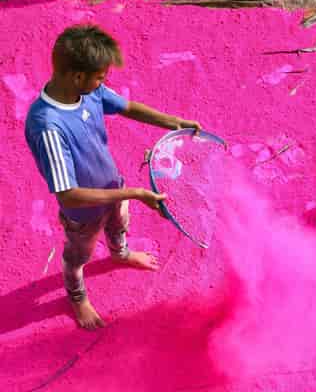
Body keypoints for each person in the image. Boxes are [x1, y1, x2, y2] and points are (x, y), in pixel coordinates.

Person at [25, 24, 202, 330]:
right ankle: (77, 296)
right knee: (79, 255)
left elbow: (128, 107)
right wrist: (134, 194)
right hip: (83, 212)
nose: (104, 82)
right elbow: (68, 194)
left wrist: (175, 123)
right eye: (101, 77)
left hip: (113, 188)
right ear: (77, 76)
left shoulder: (89, 92)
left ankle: (119, 254)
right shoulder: (47, 126)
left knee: (120, 224)